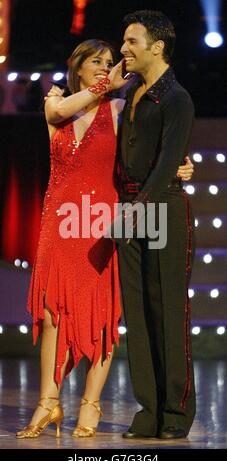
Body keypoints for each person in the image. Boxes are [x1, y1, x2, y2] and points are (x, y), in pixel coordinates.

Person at [16, 38, 193, 439]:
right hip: (58, 221)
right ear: (77, 66)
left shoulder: (119, 111)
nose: (105, 67)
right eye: (96, 61)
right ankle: (48, 401)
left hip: (97, 221)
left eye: (110, 62)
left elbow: (152, 147)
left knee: (100, 314)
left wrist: (183, 163)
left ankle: (90, 403)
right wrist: (102, 86)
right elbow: (60, 110)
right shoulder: (56, 104)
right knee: (50, 314)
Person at [111, 10, 196, 440]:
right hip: (130, 212)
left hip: (161, 211)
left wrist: (134, 214)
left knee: (167, 314)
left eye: (131, 42)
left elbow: (166, 166)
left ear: (156, 46)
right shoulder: (130, 93)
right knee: (138, 317)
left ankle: (175, 413)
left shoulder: (176, 98)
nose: (123, 50)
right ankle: (148, 409)